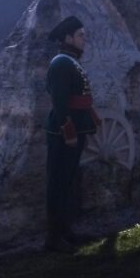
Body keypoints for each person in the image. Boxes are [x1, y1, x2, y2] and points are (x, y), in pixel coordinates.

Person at [44, 16, 100, 254]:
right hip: (63, 132)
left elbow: (82, 97)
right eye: (80, 35)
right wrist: (68, 131)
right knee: (58, 183)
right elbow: (60, 102)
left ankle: (65, 230)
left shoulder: (71, 62)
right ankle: (53, 238)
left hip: (76, 129)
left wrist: (91, 119)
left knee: (68, 182)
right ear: (68, 38)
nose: (84, 39)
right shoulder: (61, 63)